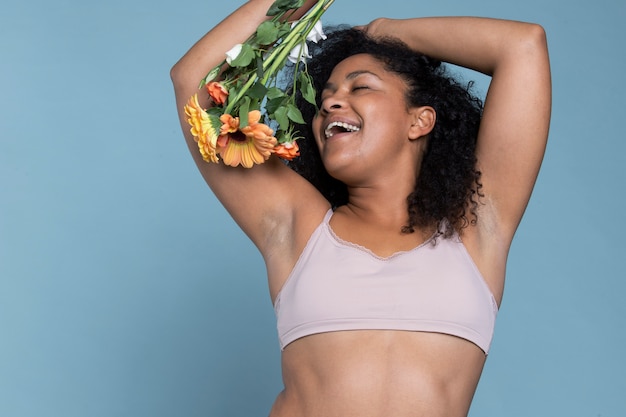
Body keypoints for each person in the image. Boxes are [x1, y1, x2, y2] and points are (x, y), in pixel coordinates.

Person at [170, 0, 551, 416]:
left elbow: (522, 46)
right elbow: (192, 80)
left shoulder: (477, 228)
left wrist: (380, 32)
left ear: (420, 120)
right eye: (325, 98)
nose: (331, 103)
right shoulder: (298, 226)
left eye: (361, 86)